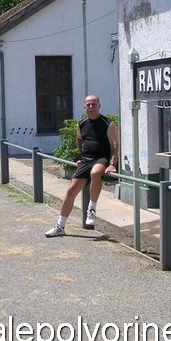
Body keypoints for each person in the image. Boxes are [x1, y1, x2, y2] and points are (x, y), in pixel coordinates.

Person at [45, 94, 118, 237]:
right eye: (88, 104)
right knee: (71, 190)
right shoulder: (82, 123)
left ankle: (92, 209)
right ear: (84, 107)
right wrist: (80, 156)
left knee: (96, 173)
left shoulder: (108, 123)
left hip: (101, 158)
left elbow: (115, 145)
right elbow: (79, 140)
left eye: (93, 104)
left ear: (99, 106)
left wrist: (111, 164)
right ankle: (60, 226)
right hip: (86, 159)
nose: (91, 107)